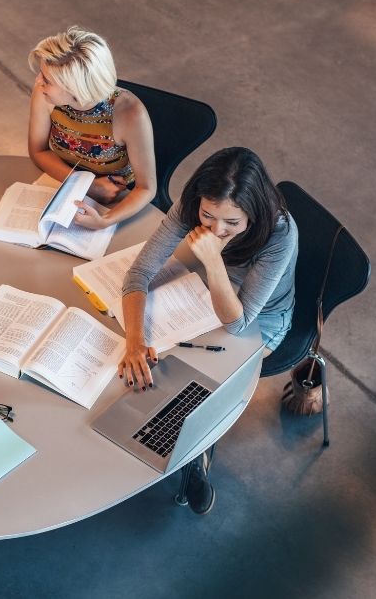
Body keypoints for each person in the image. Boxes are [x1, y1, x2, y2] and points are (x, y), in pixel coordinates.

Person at [118, 147, 298, 514]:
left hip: (261, 320)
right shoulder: (192, 206)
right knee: (158, 358)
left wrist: (213, 259)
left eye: (232, 223)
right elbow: (138, 274)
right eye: (208, 216)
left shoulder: (280, 234)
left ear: (254, 212)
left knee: (199, 380)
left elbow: (239, 322)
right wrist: (135, 341)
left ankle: (193, 459)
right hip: (203, 291)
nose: (216, 229)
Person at [27, 26, 156, 230]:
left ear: (75, 88)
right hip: (64, 182)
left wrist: (105, 221)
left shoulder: (130, 114)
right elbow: (38, 151)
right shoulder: (45, 95)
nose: (38, 81)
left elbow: (147, 188)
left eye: (47, 80)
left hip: (114, 198)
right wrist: (90, 186)